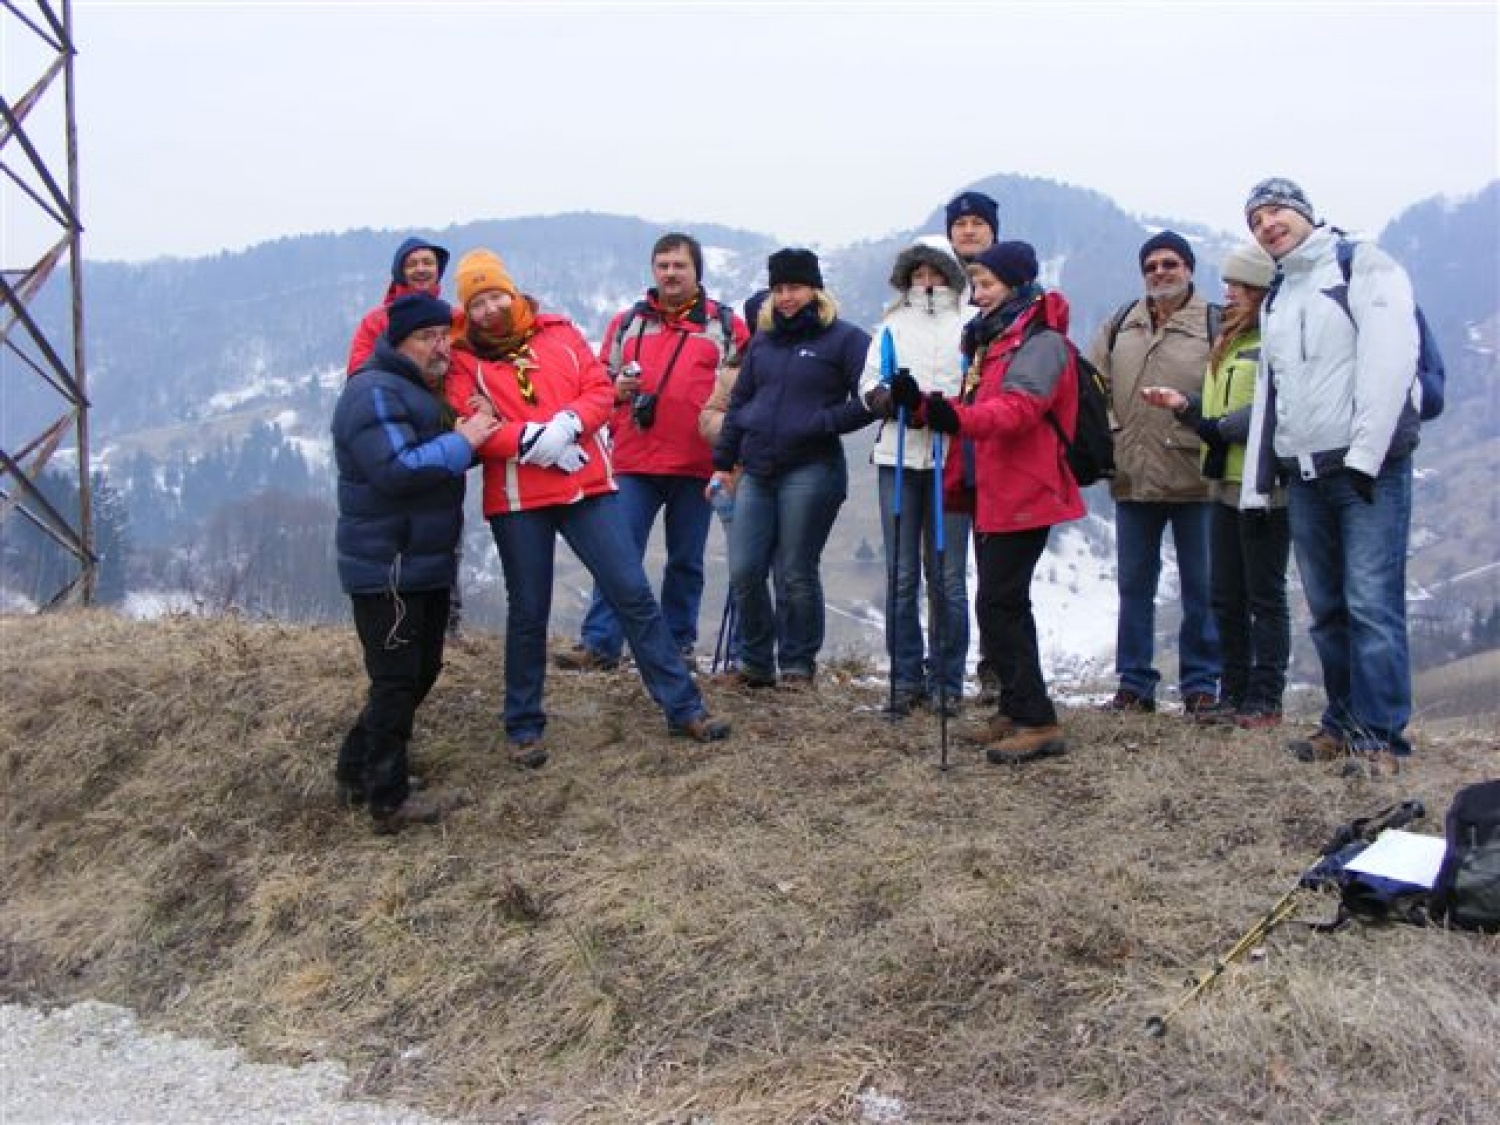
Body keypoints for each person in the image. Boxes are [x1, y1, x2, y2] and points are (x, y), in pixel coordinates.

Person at [444, 249, 730, 761]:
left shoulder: (558, 332)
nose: (489, 309)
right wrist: (533, 440)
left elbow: (599, 388)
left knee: (632, 593)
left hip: (585, 486)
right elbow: (471, 426)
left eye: (495, 296)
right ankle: (523, 725)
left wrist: (569, 425)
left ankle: (685, 708)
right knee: (528, 610)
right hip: (517, 498)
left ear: (512, 292)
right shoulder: (464, 358)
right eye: (477, 302)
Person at [1242, 178, 1422, 778]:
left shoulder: (1362, 264)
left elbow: (1389, 359)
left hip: (1363, 466)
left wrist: (1367, 456)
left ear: (1304, 212)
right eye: (1257, 220)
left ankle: (1381, 739)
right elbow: (1272, 393)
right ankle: (1342, 723)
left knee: (1371, 604)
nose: (1268, 225)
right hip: (1306, 471)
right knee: (1327, 607)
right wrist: (1259, 481)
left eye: (1276, 212)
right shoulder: (1278, 295)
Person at [891, 241, 1084, 762]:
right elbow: (978, 405)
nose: (978, 294)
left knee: (1002, 601)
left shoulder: (1041, 344)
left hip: (1026, 486)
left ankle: (1039, 721)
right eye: (975, 284)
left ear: (1018, 284)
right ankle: (1015, 711)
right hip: (992, 488)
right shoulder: (993, 341)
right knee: (996, 601)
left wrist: (954, 417)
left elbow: (1017, 411)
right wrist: (928, 406)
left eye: (988, 283)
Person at [331, 293, 498, 834]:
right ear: (398, 342)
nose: (440, 347)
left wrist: (470, 437)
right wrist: (462, 440)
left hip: (419, 560)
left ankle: (359, 768)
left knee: (418, 671)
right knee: (398, 678)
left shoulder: (414, 392)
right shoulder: (373, 392)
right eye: (427, 338)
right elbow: (399, 469)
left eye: (443, 336)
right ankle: (387, 798)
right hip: (389, 566)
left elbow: (436, 456)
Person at [556, 233, 749, 672]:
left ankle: (678, 644)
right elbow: (596, 385)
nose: (670, 273)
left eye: (679, 265)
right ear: (652, 270)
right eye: (662, 265)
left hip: (698, 463)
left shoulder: (725, 325)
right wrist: (617, 390)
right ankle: (600, 642)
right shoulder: (628, 323)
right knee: (618, 553)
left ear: (697, 270)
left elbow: (744, 389)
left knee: (686, 561)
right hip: (634, 460)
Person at [1140, 243, 1290, 729]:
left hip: (1264, 481)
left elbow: (1278, 402)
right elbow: (1218, 405)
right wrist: (1186, 405)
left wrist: (1225, 424)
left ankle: (1265, 698)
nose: (1228, 295)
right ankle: (1234, 691)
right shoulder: (1228, 340)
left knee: (1263, 595)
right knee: (1225, 595)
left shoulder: (1277, 338)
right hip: (1222, 481)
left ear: (1260, 290)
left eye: (1238, 287)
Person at [708, 248, 872, 688]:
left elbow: (872, 399)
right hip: (757, 470)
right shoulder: (762, 342)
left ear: (815, 289)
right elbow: (741, 403)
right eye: (778, 289)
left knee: (795, 570)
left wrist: (823, 422)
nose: (785, 297)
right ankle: (756, 664)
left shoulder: (845, 339)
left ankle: (798, 665)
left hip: (812, 469)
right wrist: (724, 461)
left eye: (794, 287)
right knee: (744, 569)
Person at [1086, 230, 1221, 717]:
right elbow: (1090, 384)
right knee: (1134, 585)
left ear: (1188, 268)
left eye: (1170, 263)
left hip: (1196, 476)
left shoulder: (1214, 323)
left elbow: (1231, 393)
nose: (1160, 272)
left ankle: (1202, 685)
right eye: (1151, 266)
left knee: (1202, 587)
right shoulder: (1121, 323)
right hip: (1133, 474)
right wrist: (1108, 434)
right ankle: (1134, 684)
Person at [859, 240, 971, 716]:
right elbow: (868, 386)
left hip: (951, 455)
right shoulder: (890, 325)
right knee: (901, 574)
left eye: (935, 273)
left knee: (948, 577)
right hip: (898, 455)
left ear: (950, 277)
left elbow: (980, 383)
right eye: (918, 273)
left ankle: (948, 679)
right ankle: (905, 678)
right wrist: (890, 400)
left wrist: (949, 410)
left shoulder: (969, 325)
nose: (926, 281)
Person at [942, 189, 1002, 703]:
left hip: (996, 443)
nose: (968, 231)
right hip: (946, 439)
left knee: (997, 571)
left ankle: (996, 668)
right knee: (948, 570)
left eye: (978, 223)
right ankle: (947, 671)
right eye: (960, 224)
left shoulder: (1014, 287)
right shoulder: (935, 286)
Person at [346, 237, 451, 375]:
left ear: (438, 270)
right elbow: (359, 370)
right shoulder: (376, 321)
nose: (420, 269)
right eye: (412, 264)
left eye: (428, 263)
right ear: (400, 273)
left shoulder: (451, 316)